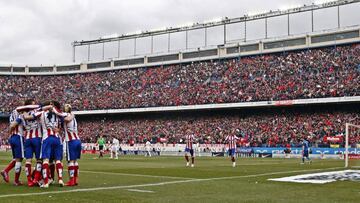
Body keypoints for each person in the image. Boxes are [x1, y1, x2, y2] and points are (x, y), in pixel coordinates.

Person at [23, 101, 64, 188]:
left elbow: (30, 117)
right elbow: (62, 120)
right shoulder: (57, 113)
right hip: (57, 139)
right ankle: (60, 179)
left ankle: (45, 182)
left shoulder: (41, 112)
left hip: (45, 138)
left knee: (44, 160)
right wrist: (59, 129)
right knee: (57, 160)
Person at [53, 104, 81, 186]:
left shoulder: (66, 114)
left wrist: (53, 108)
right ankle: (76, 180)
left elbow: (59, 114)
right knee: (75, 161)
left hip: (70, 140)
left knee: (70, 161)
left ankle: (71, 180)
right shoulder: (73, 117)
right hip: (78, 140)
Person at [1, 108, 25, 186]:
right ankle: (16, 180)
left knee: (16, 158)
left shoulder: (12, 115)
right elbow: (13, 125)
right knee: (19, 159)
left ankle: (6, 171)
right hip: (18, 137)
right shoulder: (20, 115)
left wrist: (10, 134)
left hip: (13, 137)